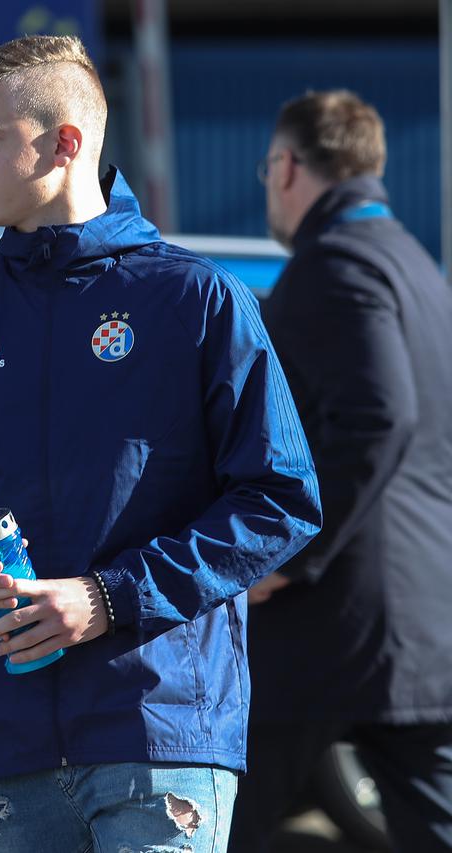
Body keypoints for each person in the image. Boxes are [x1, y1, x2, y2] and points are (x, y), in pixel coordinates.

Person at [0, 36, 321, 852]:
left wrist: (109, 597)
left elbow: (281, 498)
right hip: (8, 748)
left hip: (159, 731)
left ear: (66, 142)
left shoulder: (197, 300)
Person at [231, 90, 452, 852]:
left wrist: (293, 556)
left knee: (211, 817)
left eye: (268, 169)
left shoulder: (337, 265)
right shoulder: (418, 265)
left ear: (288, 166)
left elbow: (378, 418)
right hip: (419, 625)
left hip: (335, 620)